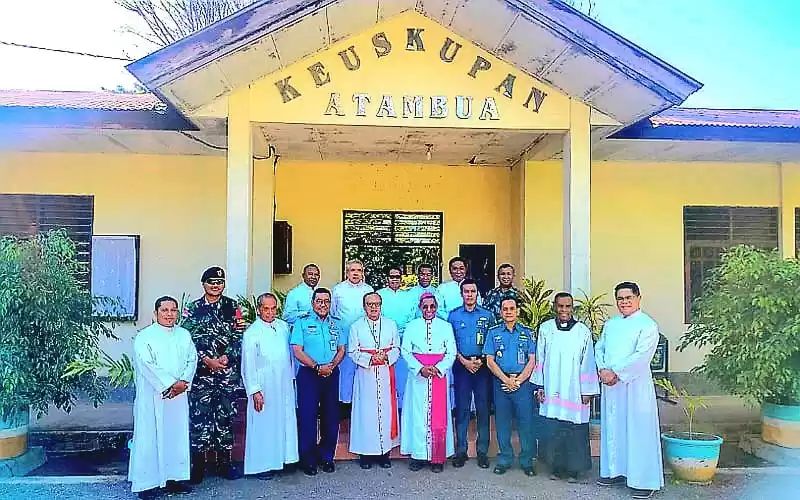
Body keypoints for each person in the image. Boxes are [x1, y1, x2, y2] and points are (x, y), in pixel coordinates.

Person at [595, 282, 664, 499]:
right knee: (615, 427)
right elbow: (600, 347)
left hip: (634, 386)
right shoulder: (611, 324)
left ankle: (644, 480)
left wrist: (616, 373)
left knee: (638, 430)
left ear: (638, 298)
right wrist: (603, 369)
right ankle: (615, 471)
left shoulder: (648, 325)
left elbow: (641, 356)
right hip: (611, 386)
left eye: (628, 298)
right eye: (620, 298)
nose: (624, 302)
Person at [182, 266, 246, 484]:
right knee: (200, 418)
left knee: (225, 417)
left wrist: (226, 358)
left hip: (227, 374)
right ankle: (198, 465)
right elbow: (186, 338)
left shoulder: (232, 306)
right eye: (211, 282)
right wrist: (206, 359)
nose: (215, 285)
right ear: (204, 284)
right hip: (202, 374)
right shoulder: (193, 308)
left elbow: (239, 336)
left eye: (219, 282)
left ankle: (224, 463)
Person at [129, 296, 197, 499]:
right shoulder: (145, 337)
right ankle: (146, 484)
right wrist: (169, 384)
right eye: (165, 310)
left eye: (173, 310)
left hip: (178, 396)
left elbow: (192, 359)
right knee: (149, 437)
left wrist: (183, 382)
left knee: (176, 436)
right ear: (155, 313)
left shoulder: (184, 335)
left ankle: (175, 478)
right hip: (153, 396)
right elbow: (146, 364)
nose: (169, 314)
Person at [532, 292, 599, 482]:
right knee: (553, 427)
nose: (564, 310)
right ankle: (555, 467)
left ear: (572, 308)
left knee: (574, 428)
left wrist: (587, 390)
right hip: (552, 388)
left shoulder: (582, 331)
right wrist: (539, 386)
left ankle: (574, 470)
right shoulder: (545, 329)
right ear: (555, 306)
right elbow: (540, 358)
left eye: (567, 306)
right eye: (560, 306)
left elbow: (588, 362)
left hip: (574, 390)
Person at [241, 293, 298, 480]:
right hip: (263, 383)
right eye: (266, 308)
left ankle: (282, 459)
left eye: (273, 308)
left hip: (283, 382)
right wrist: (254, 390)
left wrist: (292, 378)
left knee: (283, 420)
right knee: (263, 424)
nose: (270, 312)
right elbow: (247, 364)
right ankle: (262, 465)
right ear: (259, 309)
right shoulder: (252, 332)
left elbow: (289, 355)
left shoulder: (283, 327)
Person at [291, 288, 346, 476]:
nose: (323, 304)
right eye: (319, 301)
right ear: (313, 303)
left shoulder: (337, 324)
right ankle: (308, 459)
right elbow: (297, 350)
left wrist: (331, 366)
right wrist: (316, 367)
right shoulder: (302, 322)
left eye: (326, 301)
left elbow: (341, 349)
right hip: (309, 375)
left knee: (331, 417)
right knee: (308, 417)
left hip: (331, 373)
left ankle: (327, 457)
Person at [400, 292, 456, 473]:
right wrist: (420, 368)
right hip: (418, 379)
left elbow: (451, 352)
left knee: (439, 417)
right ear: (420, 308)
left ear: (437, 307)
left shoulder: (446, 326)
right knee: (417, 415)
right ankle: (418, 455)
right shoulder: (411, 326)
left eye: (432, 306)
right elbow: (406, 351)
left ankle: (437, 458)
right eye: (425, 307)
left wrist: (439, 368)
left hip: (438, 377)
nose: (429, 310)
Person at [483, 296, 537, 477]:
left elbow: (532, 360)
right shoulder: (493, 332)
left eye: (511, 309)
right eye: (505, 309)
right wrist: (506, 380)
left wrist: (519, 380)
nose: (508, 312)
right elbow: (489, 360)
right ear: (500, 312)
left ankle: (526, 461)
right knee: (503, 423)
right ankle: (504, 459)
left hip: (523, 385)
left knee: (525, 423)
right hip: (501, 384)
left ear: (517, 311)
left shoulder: (528, 333)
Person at [348, 292, 401, 469]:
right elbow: (353, 352)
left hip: (385, 374)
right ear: (364, 306)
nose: (373, 307)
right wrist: (370, 359)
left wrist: (385, 357)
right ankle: (365, 453)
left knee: (385, 412)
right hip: (366, 377)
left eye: (376, 304)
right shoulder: (356, 327)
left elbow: (397, 348)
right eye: (370, 304)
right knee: (366, 414)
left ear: (381, 305)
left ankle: (384, 453)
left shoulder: (390, 324)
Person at [447, 278, 493, 469]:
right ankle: (461, 451)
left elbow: (492, 342)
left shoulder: (488, 315)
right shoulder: (453, 316)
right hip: (462, 365)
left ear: (477, 294)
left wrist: (481, 361)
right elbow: (450, 343)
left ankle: (482, 452)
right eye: (466, 292)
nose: (469, 295)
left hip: (482, 367)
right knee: (463, 409)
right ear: (461, 294)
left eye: (473, 291)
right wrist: (465, 361)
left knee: (483, 409)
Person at [331, 260, 374, 404]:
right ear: (347, 272)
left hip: (364, 337)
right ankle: (345, 403)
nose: (356, 273)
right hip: (345, 336)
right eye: (352, 270)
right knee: (345, 371)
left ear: (363, 273)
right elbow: (333, 313)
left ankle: (363, 402)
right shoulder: (338, 290)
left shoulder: (369, 290)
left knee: (363, 370)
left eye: (359, 270)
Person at [377, 266, 413, 409]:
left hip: (404, 339)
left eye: (397, 277)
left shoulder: (408, 296)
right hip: (385, 340)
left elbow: (411, 317)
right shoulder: (379, 294)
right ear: (387, 278)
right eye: (392, 277)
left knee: (403, 375)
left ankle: (402, 406)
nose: (394, 279)